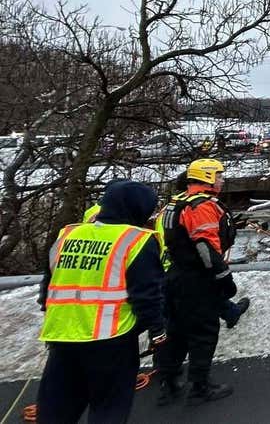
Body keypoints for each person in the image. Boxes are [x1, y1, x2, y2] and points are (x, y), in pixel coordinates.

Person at [36, 180, 167, 424]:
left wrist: (50, 312)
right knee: (109, 408)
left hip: (61, 337)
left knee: (57, 408)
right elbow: (147, 295)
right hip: (110, 340)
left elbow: (48, 284)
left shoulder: (69, 233)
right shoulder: (136, 240)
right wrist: (158, 332)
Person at [156, 159, 239, 405]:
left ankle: (169, 383)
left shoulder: (177, 202)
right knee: (204, 331)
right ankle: (200, 387)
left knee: (177, 331)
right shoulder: (201, 206)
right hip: (196, 278)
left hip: (175, 275)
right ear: (207, 176)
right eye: (219, 176)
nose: (222, 180)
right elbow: (205, 246)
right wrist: (223, 277)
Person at [154, 172, 249, 328]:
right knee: (199, 299)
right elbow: (201, 241)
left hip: (171, 265)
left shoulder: (172, 206)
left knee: (180, 303)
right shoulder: (192, 207)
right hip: (180, 265)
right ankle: (229, 313)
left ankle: (229, 311)